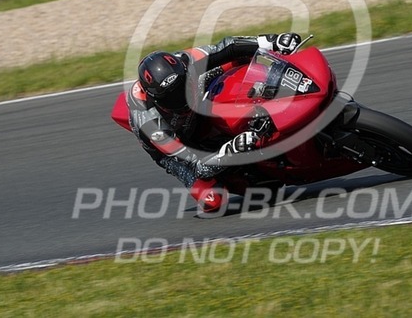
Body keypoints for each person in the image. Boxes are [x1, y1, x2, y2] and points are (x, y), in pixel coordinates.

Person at [127, 33, 302, 212]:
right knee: (214, 202)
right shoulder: (151, 125)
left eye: (182, 87)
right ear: (154, 99)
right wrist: (230, 151)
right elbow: (197, 165)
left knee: (237, 59)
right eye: (170, 98)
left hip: (198, 99)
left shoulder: (187, 60)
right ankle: (237, 175)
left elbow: (228, 47)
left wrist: (273, 41)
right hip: (177, 144)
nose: (180, 98)